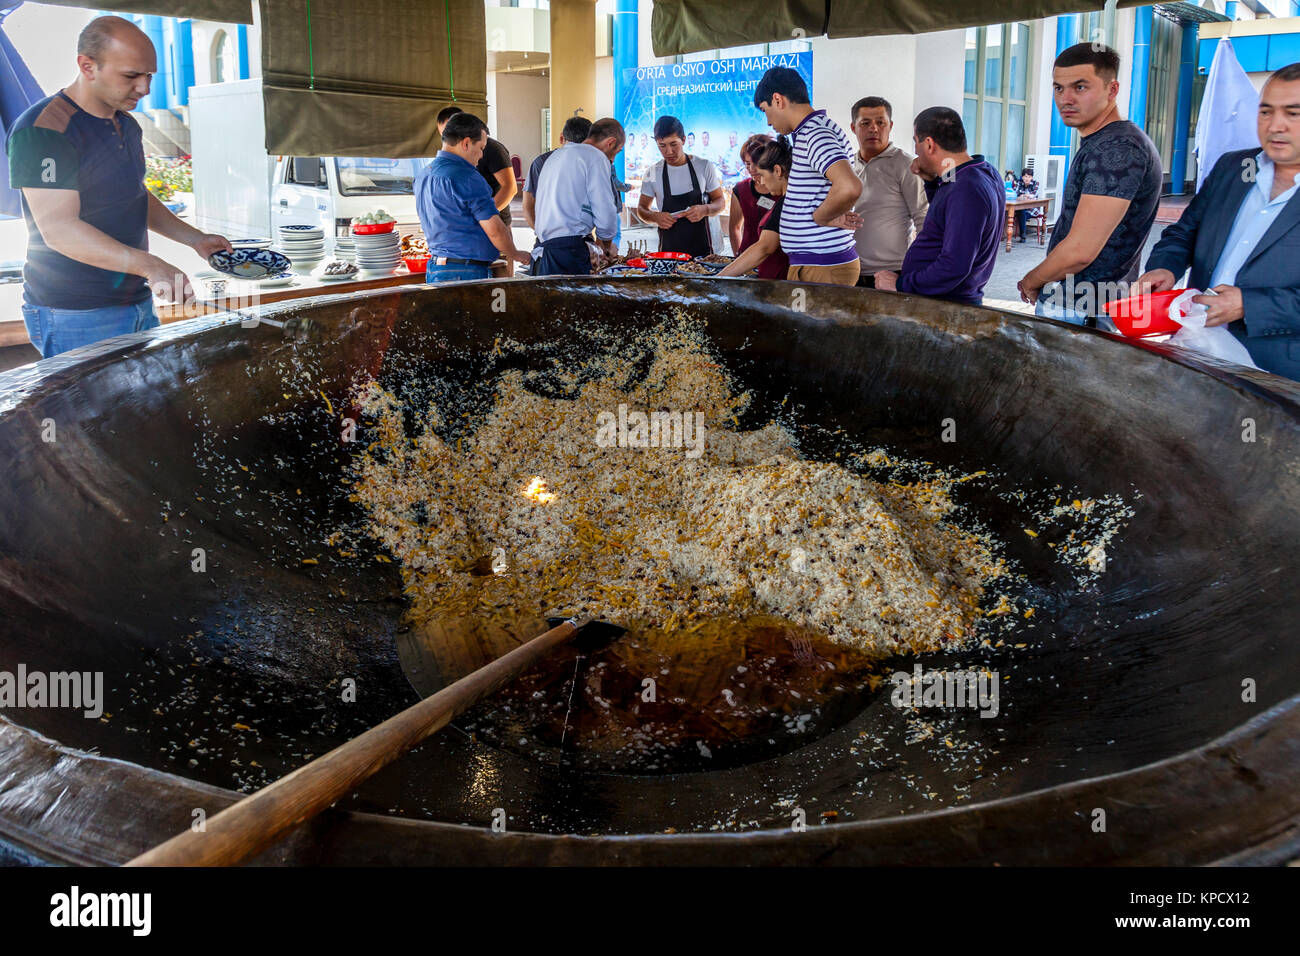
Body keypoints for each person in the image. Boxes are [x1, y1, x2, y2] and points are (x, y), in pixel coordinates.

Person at [5, 15, 231, 359]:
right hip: (75, 312)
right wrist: (151, 266)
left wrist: (194, 239)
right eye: (131, 76)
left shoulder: (126, 123)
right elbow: (60, 230)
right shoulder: (44, 131)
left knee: (143, 407)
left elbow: (134, 196)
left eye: (149, 75)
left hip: (133, 299)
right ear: (87, 66)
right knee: (91, 414)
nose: (144, 88)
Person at [1136, 62, 1300, 379]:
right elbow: (1184, 233)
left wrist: (1250, 305)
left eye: (1293, 114)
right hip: (1197, 350)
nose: (1275, 126)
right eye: (1266, 111)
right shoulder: (1233, 168)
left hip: (1276, 373)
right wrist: (1164, 267)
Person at [1017, 43, 1162, 325]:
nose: (1065, 99)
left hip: (1084, 311)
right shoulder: (1105, 142)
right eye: (1058, 88)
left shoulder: (1117, 148)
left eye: (1080, 87)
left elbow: (1080, 251)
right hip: (1084, 306)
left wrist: (1031, 280)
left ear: (1112, 90)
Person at [873, 108, 1003, 306]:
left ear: (929, 144)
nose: (915, 151)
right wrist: (931, 182)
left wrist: (900, 284)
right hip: (946, 299)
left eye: (916, 141)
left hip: (946, 305)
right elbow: (947, 219)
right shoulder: (978, 172)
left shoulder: (966, 189)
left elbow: (954, 266)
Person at [752, 66, 863, 285]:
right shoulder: (810, 132)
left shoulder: (815, 133)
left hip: (823, 265)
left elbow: (849, 186)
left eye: (765, 111)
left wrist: (822, 216)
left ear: (777, 99)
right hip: (817, 264)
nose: (768, 122)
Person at [414, 112, 530, 281]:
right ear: (466, 143)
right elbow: (495, 230)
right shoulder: (467, 177)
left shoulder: (423, 174)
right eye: (481, 148)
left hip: (435, 269)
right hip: (465, 272)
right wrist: (516, 253)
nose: (482, 155)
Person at [848, 95, 928, 288]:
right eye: (865, 123)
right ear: (853, 127)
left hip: (890, 274)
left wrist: (919, 270)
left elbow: (923, 218)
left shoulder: (906, 165)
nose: (873, 128)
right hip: (849, 271)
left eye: (880, 123)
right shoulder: (846, 166)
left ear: (890, 126)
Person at [531, 117, 625, 276]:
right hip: (570, 253)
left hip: (545, 252)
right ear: (610, 142)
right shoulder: (595, 157)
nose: (612, 159)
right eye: (616, 152)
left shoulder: (555, 156)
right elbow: (605, 212)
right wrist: (606, 246)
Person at [637, 115, 726, 257]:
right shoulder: (652, 172)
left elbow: (720, 202)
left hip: (704, 252)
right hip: (669, 252)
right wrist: (655, 217)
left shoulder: (703, 166)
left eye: (673, 144)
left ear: (683, 140)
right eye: (662, 146)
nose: (668, 152)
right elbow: (641, 209)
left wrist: (705, 209)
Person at [718, 137, 792, 279]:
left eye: (762, 174)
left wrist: (718, 279)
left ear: (777, 170)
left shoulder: (786, 202)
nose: (761, 180)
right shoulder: (792, 198)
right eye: (747, 164)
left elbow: (764, 247)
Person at [437, 106, 517, 226]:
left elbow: (510, 188)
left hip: (496, 219)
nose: (449, 140)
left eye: (450, 132)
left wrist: (484, 217)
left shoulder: (493, 149)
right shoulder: (448, 156)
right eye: (444, 135)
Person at [522, 115, 592, 229]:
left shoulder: (590, 165)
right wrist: (540, 233)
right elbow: (528, 206)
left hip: (576, 236)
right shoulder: (541, 163)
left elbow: (527, 206)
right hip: (555, 236)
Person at [727, 133, 774, 257]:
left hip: (776, 259)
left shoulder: (783, 190)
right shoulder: (741, 189)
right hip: (747, 258)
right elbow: (735, 228)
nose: (752, 169)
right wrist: (738, 258)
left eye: (756, 162)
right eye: (747, 163)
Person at [1013, 167, 1042, 242]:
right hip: (1020, 208)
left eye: (1029, 177)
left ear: (1032, 177)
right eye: (1025, 176)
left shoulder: (1036, 183)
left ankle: (1023, 235)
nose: (1027, 178)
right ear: (1022, 177)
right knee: (1021, 211)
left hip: (1032, 210)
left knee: (1021, 214)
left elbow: (1034, 195)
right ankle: (1023, 235)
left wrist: (1022, 195)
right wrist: (1025, 195)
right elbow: (1015, 193)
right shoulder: (1019, 183)